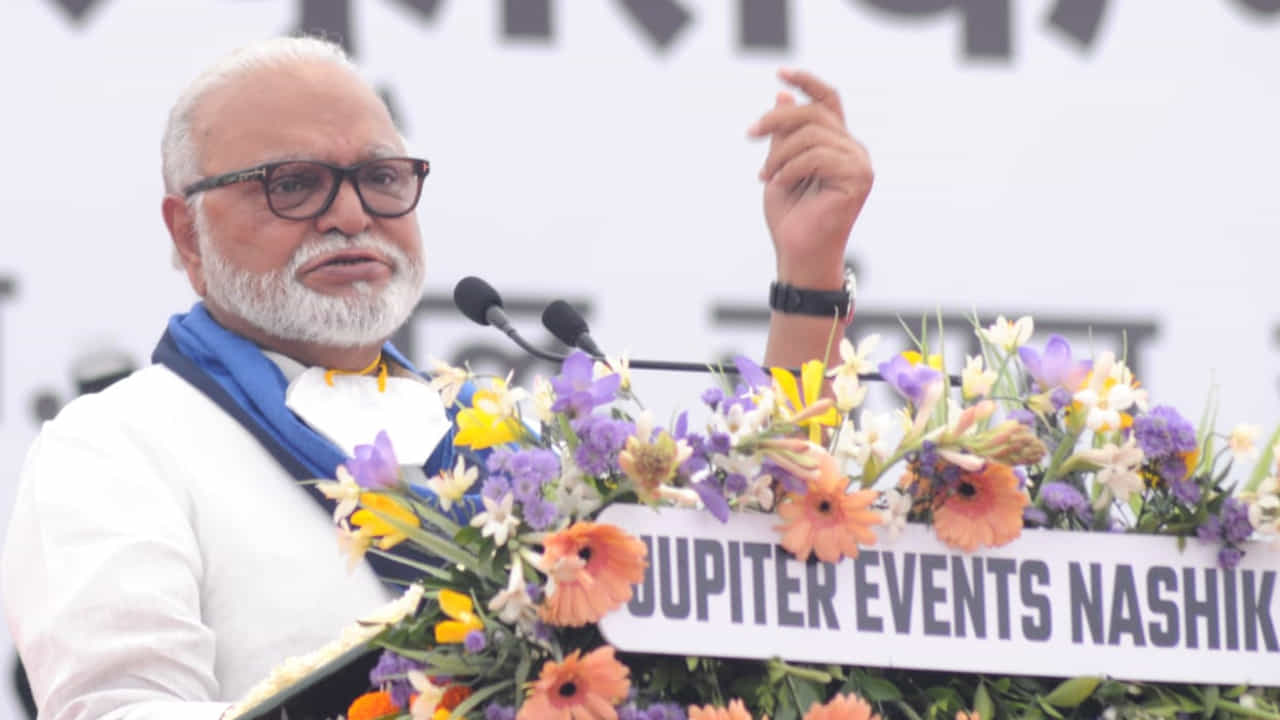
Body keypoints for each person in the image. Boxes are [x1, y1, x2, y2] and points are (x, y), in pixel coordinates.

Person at [0, 35, 872, 720]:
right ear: (185, 232)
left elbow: (760, 555)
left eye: (380, 178)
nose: (350, 214)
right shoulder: (118, 445)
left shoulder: (514, 440)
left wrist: (810, 269)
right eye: (292, 185)